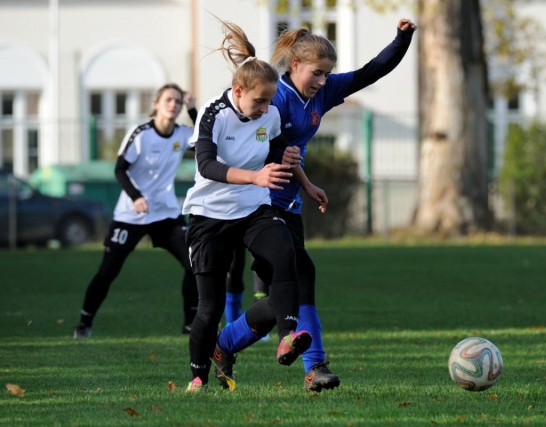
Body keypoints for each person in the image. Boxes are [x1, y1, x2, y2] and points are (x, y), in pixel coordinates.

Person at [218, 18, 417, 392]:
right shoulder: (275, 98)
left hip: (288, 204)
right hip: (257, 205)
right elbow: (250, 144)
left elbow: (372, 71)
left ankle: (225, 343)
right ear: (295, 65)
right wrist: (284, 165)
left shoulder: (320, 93)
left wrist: (402, 39)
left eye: (327, 74)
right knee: (301, 276)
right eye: (317, 73)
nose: (323, 81)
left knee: (284, 296)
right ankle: (315, 366)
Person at [183, 19, 311, 393]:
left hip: (254, 208)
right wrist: (255, 176)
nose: (266, 108)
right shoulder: (213, 113)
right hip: (210, 215)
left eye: (270, 101)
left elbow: (272, 147)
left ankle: (287, 337)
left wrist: (288, 160)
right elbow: (206, 165)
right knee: (210, 306)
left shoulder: (269, 114)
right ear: (238, 90)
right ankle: (198, 377)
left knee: (286, 256)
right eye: (259, 101)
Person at [73, 83, 200, 338]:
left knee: (195, 263)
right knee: (108, 271)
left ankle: (190, 323)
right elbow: (120, 169)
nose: (173, 105)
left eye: (178, 101)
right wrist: (136, 196)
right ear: (156, 104)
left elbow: (206, 140)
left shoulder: (183, 133)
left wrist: (193, 110)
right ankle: (84, 323)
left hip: (165, 213)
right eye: (168, 100)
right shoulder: (141, 133)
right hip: (132, 214)